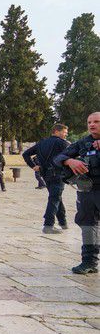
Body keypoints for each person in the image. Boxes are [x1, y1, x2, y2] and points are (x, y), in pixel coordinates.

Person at [54, 112, 100, 274]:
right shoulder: (83, 143)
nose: (92, 125)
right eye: (89, 122)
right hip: (87, 191)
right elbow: (58, 158)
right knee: (87, 224)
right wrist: (69, 160)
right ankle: (89, 262)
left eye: (96, 122)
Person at [23, 124, 70, 234]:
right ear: (57, 131)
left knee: (56, 197)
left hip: (45, 175)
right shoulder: (62, 143)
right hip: (58, 174)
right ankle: (48, 225)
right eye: (64, 132)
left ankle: (63, 222)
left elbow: (26, 154)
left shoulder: (41, 143)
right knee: (55, 198)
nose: (66, 134)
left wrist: (33, 166)